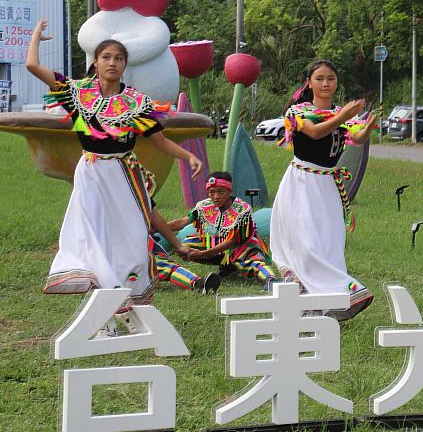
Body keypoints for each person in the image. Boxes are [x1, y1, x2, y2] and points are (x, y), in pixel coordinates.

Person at [26, 19, 202, 330]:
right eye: (106, 57)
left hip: (123, 174)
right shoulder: (77, 92)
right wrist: (37, 37)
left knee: (133, 236)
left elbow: (158, 139)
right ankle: (106, 310)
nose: (112, 63)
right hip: (92, 173)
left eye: (118, 58)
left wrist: (187, 155)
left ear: (124, 65)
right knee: (94, 238)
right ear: (95, 62)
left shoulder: (135, 101)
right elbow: (32, 66)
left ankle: (126, 302)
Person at [270, 60, 376, 320]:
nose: (326, 83)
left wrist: (366, 128)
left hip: (327, 186)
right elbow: (315, 133)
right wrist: (343, 117)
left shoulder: (340, 114)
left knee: (329, 242)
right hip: (302, 183)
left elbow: (354, 139)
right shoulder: (298, 112)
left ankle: (325, 303)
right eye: (320, 78)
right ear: (310, 82)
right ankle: (339, 293)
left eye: (331, 78)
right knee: (306, 243)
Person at [167, 172, 279, 290]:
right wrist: (156, 228)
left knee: (254, 262)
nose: (216, 196)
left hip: (242, 247)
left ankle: (270, 279)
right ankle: (227, 267)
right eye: (212, 192)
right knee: (186, 245)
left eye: (221, 191)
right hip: (216, 246)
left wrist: (203, 253)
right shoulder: (204, 206)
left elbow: (234, 241)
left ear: (229, 190)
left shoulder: (242, 210)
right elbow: (183, 221)